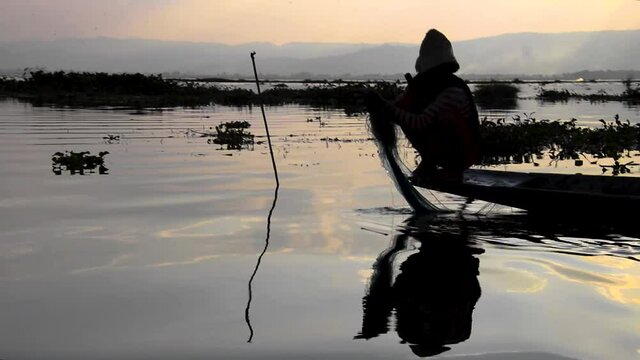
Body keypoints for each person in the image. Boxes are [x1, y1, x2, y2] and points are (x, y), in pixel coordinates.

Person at [365, 29, 480, 184]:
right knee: (407, 107)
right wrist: (383, 107)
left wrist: (385, 106)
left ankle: (452, 168)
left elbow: (420, 122)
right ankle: (430, 162)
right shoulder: (426, 85)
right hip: (442, 149)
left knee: (423, 115)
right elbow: (402, 107)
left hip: (463, 152)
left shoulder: (452, 90)